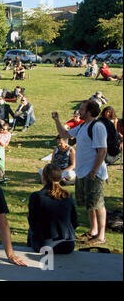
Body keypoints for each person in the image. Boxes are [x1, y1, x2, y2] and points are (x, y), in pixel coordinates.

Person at [52, 100, 108, 246]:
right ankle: (93, 231)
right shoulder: (83, 126)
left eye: (82, 109)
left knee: (98, 203)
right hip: (83, 172)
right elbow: (64, 133)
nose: (79, 112)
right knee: (90, 204)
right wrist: (57, 120)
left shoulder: (98, 126)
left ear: (89, 112)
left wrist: (94, 171)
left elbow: (102, 151)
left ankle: (101, 236)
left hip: (94, 172)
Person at [28, 164, 78, 254]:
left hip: (45, 245)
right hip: (68, 244)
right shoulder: (68, 195)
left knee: (30, 231)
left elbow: (32, 220)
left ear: (43, 177)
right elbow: (74, 220)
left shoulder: (37, 196)